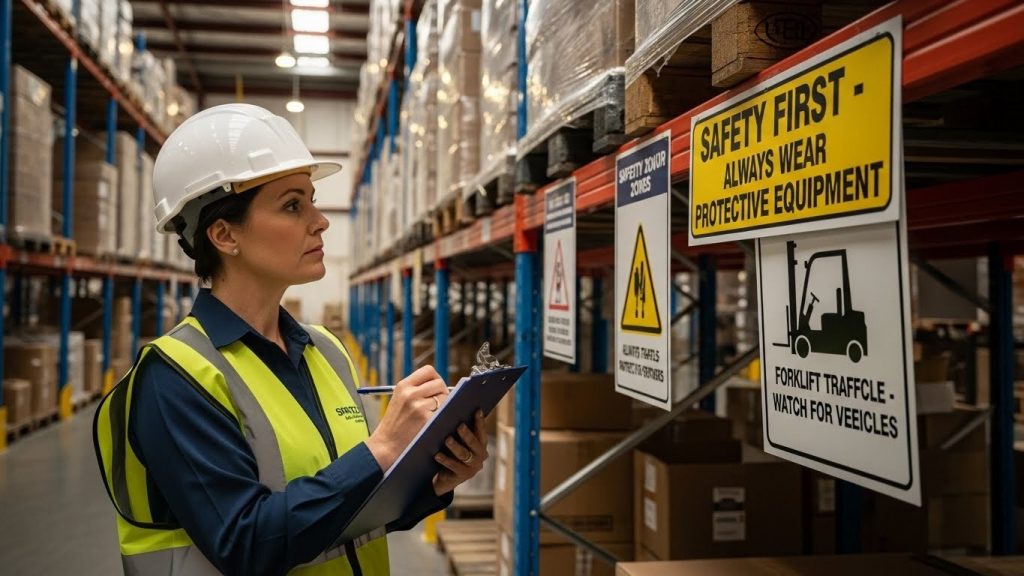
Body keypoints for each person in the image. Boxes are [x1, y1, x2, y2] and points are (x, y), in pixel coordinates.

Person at [93, 104, 489, 576]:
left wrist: (436, 476)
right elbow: (245, 543)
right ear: (224, 234)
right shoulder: (175, 377)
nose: (320, 221)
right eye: (292, 205)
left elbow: (351, 512)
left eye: (313, 200)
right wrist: (381, 449)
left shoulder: (325, 351)